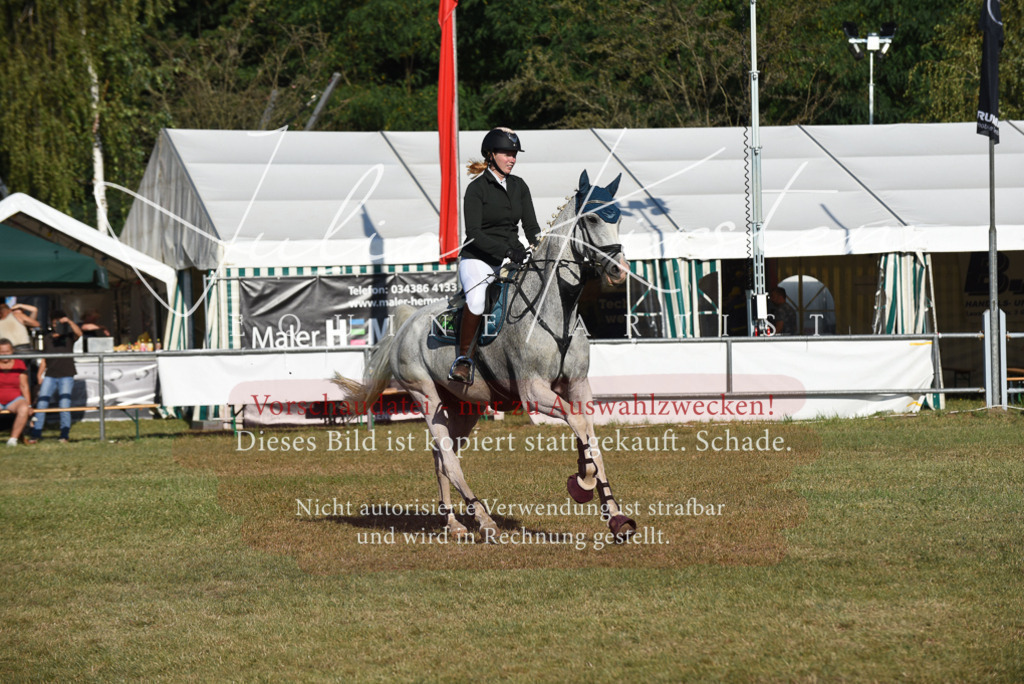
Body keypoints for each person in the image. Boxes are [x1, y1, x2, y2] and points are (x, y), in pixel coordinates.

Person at [449, 127, 541, 384]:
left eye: (514, 154)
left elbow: (531, 226)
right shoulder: (477, 189)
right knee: (477, 302)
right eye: (507, 153)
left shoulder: (519, 186)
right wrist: (506, 251)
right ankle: (463, 359)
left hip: (511, 258)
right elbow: (474, 233)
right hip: (478, 259)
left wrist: (538, 244)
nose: (512, 158)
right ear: (490, 155)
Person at [26, 312, 82, 444]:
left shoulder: (68, 337)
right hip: (50, 375)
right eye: (55, 322)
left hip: (66, 375)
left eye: (59, 322)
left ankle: (64, 434)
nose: (57, 325)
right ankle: (35, 434)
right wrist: (40, 374)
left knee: (64, 404)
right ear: (52, 323)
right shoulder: (47, 338)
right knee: (42, 404)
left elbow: (79, 333)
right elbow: (45, 358)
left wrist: (68, 321)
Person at [0, 337, 32, 446]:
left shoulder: (19, 364)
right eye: (2, 352)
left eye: (7, 351)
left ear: (12, 351)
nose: (5, 354)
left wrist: (29, 405)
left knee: (24, 408)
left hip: (14, 400)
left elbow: (24, 386)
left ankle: (13, 440)